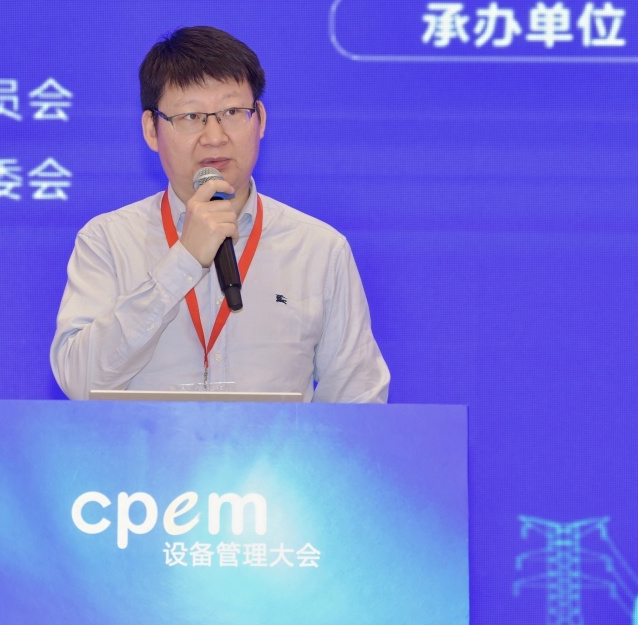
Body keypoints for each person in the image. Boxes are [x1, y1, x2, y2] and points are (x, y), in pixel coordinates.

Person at [50, 26, 389, 402]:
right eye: (190, 116)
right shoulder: (108, 240)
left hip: (276, 445)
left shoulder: (319, 249)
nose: (214, 136)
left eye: (231, 112)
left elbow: (358, 397)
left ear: (260, 119)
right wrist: (183, 261)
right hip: (142, 443)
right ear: (151, 130)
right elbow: (80, 383)